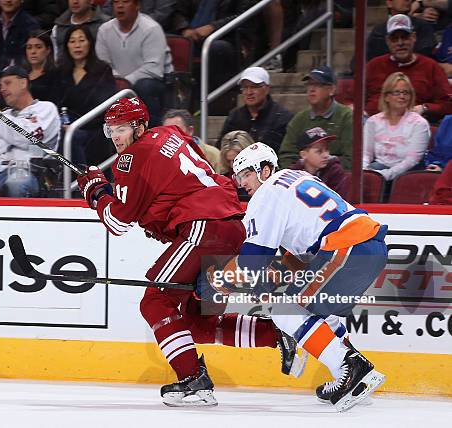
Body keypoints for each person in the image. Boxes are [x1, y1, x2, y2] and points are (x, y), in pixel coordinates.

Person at [77, 96, 304, 407]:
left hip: (204, 229)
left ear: (140, 126)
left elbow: (117, 222)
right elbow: (190, 179)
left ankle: (193, 380)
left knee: (156, 300)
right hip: (233, 226)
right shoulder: (172, 134)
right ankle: (277, 334)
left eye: (122, 129)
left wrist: (95, 191)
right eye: (110, 130)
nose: (116, 137)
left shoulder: (129, 159)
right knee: (199, 321)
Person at [209, 142, 388, 412]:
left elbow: (252, 260)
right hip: (370, 246)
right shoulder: (298, 177)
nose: (241, 182)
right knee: (323, 314)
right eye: (238, 176)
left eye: (246, 173)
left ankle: (350, 368)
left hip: (347, 247)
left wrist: (220, 280)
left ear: (265, 170)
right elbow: (297, 258)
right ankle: (357, 373)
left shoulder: (266, 194)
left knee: (285, 310)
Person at [0, 66, 60, 198]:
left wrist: (6, 139)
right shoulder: (3, 114)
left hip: (29, 171)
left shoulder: (46, 108)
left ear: (23, 83)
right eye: (1, 85)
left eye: (8, 83)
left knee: (16, 183)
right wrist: (12, 141)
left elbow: (26, 137)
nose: (2, 89)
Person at [95, 0, 172, 126]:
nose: (119, 6)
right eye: (116, 2)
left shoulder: (151, 28)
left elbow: (153, 68)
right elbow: (103, 65)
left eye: (125, 1)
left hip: (153, 83)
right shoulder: (104, 30)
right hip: (116, 82)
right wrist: (117, 80)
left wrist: (126, 81)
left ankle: (151, 134)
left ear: (137, 6)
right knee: (97, 86)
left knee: (145, 86)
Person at [365, 14, 452, 121]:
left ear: (413, 37)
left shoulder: (431, 67)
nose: (400, 43)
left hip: (412, 127)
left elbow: (448, 104)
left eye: (405, 37)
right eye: (394, 39)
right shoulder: (373, 66)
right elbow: (352, 99)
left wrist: (425, 108)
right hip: (372, 125)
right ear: (387, 41)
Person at [52, 24, 116, 166]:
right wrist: (64, 123)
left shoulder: (102, 70)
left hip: (94, 126)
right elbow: (55, 102)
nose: (77, 45)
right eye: (72, 41)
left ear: (90, 43)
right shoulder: (60, 71)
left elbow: (107, 105)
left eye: (81, 40)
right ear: (67, 46)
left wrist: (76, 126)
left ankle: (83, 181)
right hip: (65, 125)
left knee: (73, 136)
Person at [278, 65, 353, 169]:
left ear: (332, 89)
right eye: (309, 84)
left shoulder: (347, 117)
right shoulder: (299, 119)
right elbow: (287, 154)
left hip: (335, 177)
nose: (312, 89)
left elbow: (351, 159)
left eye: (318, 85)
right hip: (302, 178)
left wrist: (322, 169)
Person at [363, 72, 430, 181]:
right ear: (386, 97)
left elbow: (412, 160)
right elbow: (366, 154)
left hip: (408, 172)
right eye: (397, 92)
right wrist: (364, 170)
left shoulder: (419, 124)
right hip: (379, 169)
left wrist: (386, 175)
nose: (402, 96)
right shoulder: (373, 122)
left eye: (406, 92)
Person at [217, 67, 292, 153]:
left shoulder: (283, 118)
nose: (249, 92)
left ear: (267, 89)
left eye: (254, 87)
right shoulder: (235, 116)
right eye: (245, 87)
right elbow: (221, 147)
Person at [288, 127, 350, 199]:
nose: (326, 155)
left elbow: (340, 202)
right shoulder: (293, 173)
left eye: (326, 149)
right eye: (319, 151)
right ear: (303, 155)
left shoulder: (335, 171)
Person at [367, 0, 436, 61]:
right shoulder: (379, 31)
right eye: (394, 38)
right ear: (389, 2)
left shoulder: (423, 26)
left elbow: (426, 54)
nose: (408, 0)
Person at [162, 108, 222, 173]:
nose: (171, 135)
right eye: (166, 131)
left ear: (190, 130)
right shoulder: (159, 157)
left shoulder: (213, 154)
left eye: (176, 129)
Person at [24, 30, 57, 103]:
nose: (33, 52)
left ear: (48, 50)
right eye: (29, 48)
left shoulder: (56, 75)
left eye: (38, 47)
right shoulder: (20, 75)